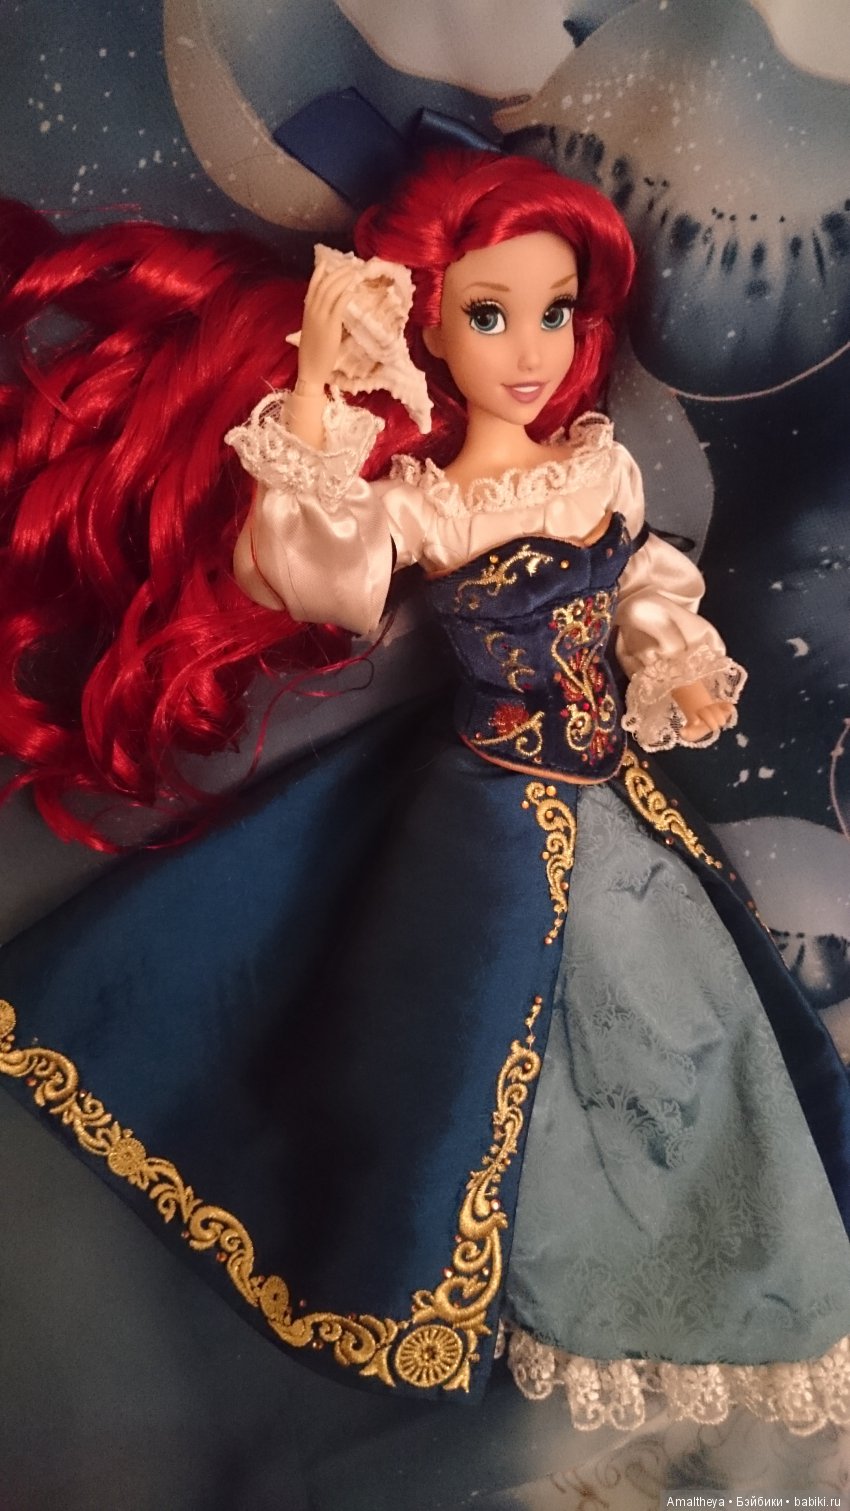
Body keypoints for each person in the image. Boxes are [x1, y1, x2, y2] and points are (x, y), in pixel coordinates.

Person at [0, 150, 849, 1434]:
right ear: (431, 326)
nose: (530, 350)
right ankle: (551, 1279)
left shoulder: (598, 468)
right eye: (490, 314)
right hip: (492, 806)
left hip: (615, 799)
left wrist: (668, 654)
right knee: (476, 1049)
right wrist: (314, 386)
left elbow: (641, 581)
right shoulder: (429, 503)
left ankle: (716, 1259)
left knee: (684, 1021)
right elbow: (316, 573)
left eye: (554, 310)